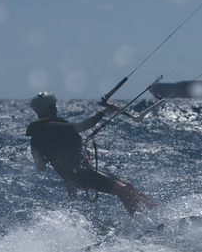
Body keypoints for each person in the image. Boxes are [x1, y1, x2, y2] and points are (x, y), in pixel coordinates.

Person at [26, 91, 157, 216]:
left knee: (128, 186)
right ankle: (142, 224)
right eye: (54, 105)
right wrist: (104, 112)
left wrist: (66, 175)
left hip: (81, 171)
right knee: (123, 190)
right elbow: (82, 126)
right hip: (80, 174)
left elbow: (41, 166)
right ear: (52, 108)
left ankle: (157, 212)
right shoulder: (51, 126)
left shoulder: (36, 137)